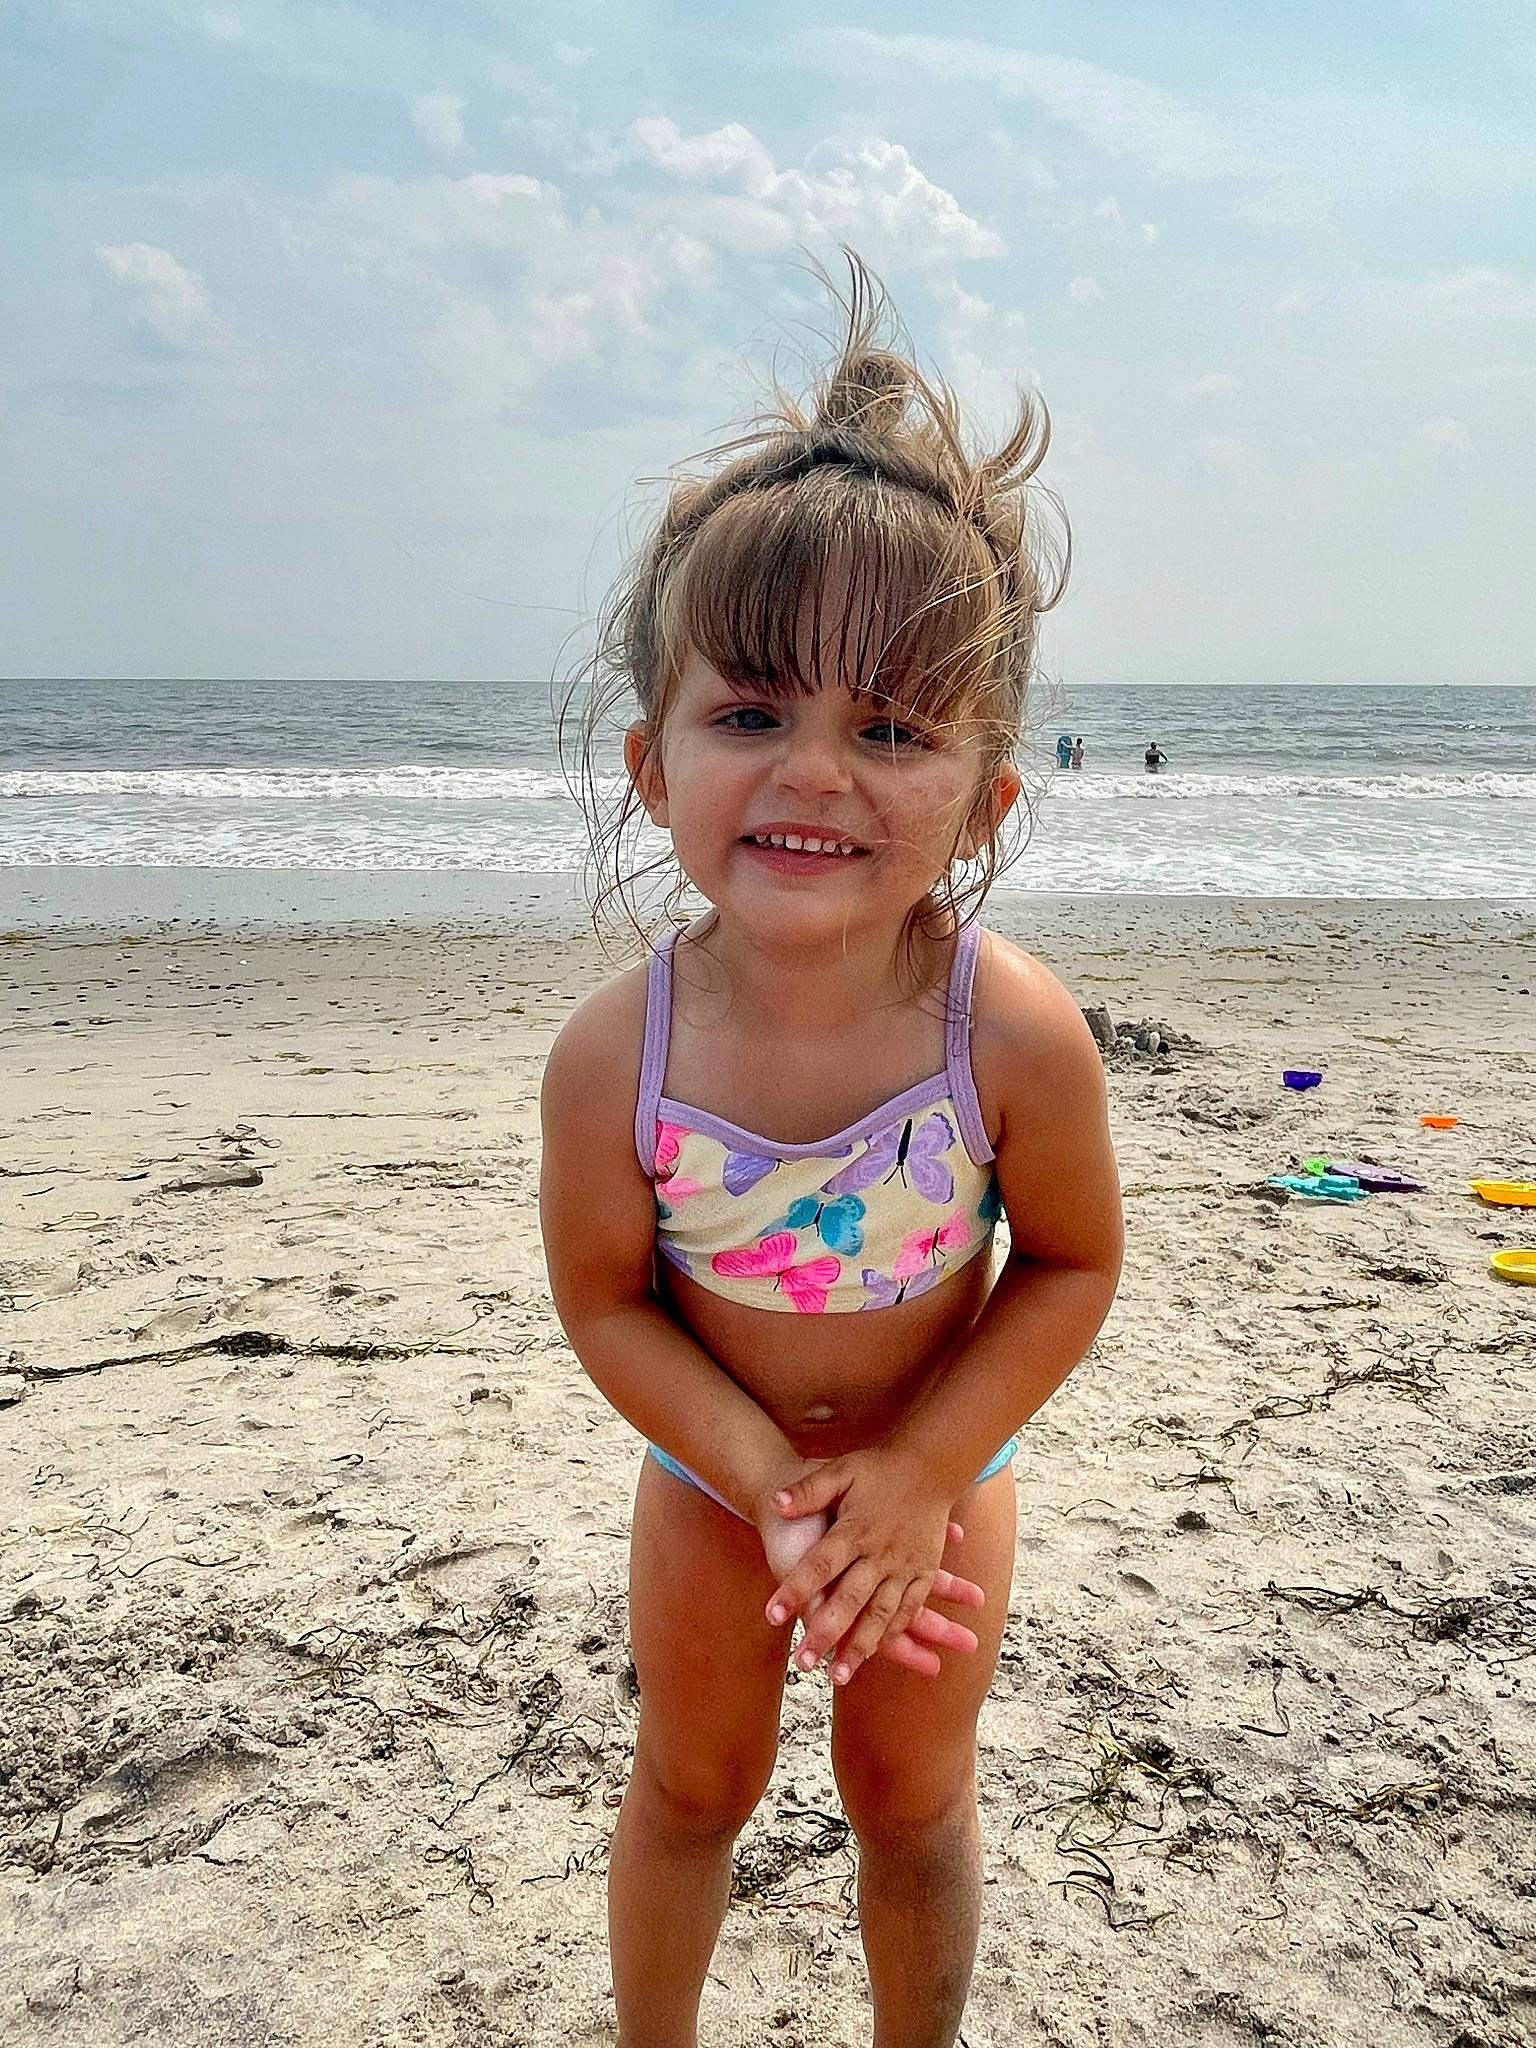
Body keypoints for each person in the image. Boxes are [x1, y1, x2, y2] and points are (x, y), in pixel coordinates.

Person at [540, 252, 1124, 2048]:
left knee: (913, 1800)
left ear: (985, 791)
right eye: (751, 714)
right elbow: (609, 1305)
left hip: (936, 1475)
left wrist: (921, 1471)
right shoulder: (612, 1054)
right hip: (719, 1483)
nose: (815, 772)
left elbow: (1073, 1262)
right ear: (653, 763)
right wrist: (758, 1479)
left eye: (888, 726)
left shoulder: (1005, 1028)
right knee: (692, 1787)